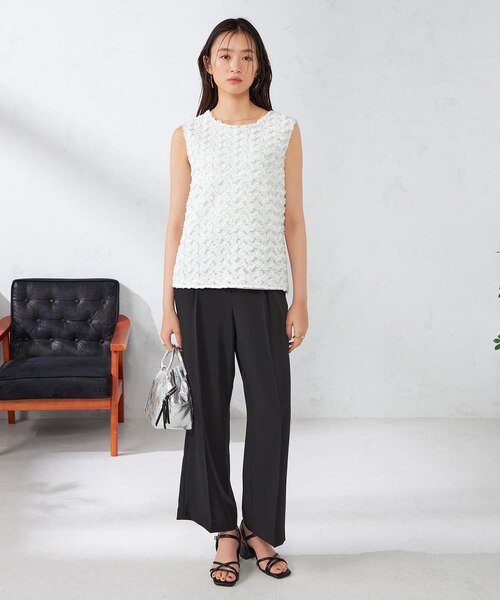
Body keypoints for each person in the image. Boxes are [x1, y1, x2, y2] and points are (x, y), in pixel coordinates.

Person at [160, 17, 308, 587]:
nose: (236, 66)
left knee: (271, 411)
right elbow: (176, 223)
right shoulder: (188, 135)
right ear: (208, 64)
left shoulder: (283, 130)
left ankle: (259, 528)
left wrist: (300, 299)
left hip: (264, 288)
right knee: (209, 415)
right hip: (198, 287)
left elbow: (294, 221)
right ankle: (224, 529)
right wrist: (168, 305)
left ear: (259, 65)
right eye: (225, 55)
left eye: (247, 56)